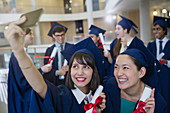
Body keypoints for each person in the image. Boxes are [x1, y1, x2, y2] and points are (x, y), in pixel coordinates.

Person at [4, 17, 106, 113]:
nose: (80, 72)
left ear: (94, 71)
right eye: (75, 66)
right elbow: (40, 86)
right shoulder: (61, 97)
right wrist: (19, 51)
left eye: (86, 67)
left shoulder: (99, 100)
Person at [103, 37, 167, 113]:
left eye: (125, 68)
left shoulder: (157, 104)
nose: (119, 73)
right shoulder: (109, 88)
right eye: (116, 67)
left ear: (141, 72)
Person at [8, 28, 52, 113]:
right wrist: (41, 70)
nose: (33, 36)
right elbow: (22, 80)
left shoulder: (24, 54)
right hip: (22, 100)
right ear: (22, 36)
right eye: (30, 34)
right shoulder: (17, 57)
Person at [147, 16, 170, 112]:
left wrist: (166, 62)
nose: (156, 32)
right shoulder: (150, 45)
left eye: (158, 29)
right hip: (155, 76)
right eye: (154, 29)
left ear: (164, 30)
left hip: (167, 76)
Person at [44, 22, 73, 86]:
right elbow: (46, 70)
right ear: (53, 36)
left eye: (62, 35)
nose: (60, 38)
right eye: (57, 35)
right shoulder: (49, 51)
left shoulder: (71, 48)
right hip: (55, 82)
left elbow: (78, 64)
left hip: (70, 81)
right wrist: (57, 72)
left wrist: (71, 68)